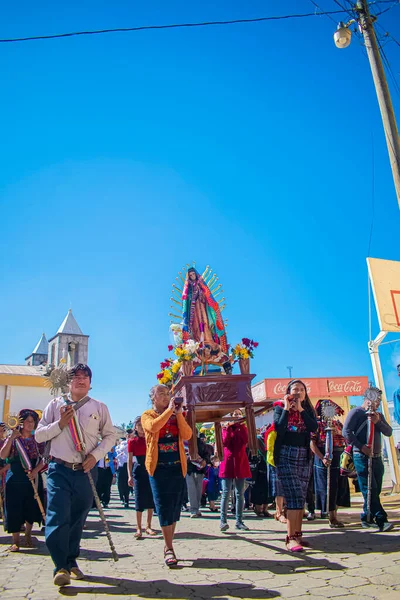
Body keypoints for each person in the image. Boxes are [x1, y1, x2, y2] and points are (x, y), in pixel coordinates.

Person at [35, 363, 115, 587]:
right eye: (76, 376)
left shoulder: (99, 407)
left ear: (90, 382)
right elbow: (39, 436)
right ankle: (59, 566)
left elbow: (110, 437)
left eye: (85, 377)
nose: (81, 380)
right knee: (58, 516)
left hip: (85, 470)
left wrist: (95, 456)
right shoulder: (54, 405)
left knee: (78, 518)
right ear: (68, 382)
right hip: (59, 469)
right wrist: (60, 424)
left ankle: (71, 561)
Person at [141, 384, 192, 567]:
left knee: (174, 508)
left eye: (167, 393)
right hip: (158, 468)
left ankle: (169, 544)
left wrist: (177, 413)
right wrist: (169, 411)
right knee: (163, 507)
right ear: (153, 397)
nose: (165, 396)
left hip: (177, 467)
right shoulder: (147, 415)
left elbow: (187, 434)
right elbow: (153, 428)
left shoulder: (177, 414)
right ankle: (168, 547)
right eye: (161, 393)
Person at [273, 380, 318, 552]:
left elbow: (313, 427)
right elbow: (279, 427)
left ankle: (298, 534)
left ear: (305, 394)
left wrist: (300, 410)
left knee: (300, 496)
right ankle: (290, 538)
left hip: (303, 455)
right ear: (288, 392)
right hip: (285, 454)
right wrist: (286, 407)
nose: (298, 392)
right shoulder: (279, 408)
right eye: (294, 389)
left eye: (301, 390)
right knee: (293, 494)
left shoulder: (308, 410)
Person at [343, 387, 393, 532]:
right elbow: (346, 432)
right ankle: (381, 519)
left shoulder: (378, 415)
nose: (377, 402)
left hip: (377, 457)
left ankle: (366, 516)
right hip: (362, 457)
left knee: (374, 490)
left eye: (379, 400)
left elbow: (389, 432)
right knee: (369, 488)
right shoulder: (357, 412)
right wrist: (361, 446)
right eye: (375, 399)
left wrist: (378, 422)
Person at [0, 409, 45, 552]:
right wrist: (11, 438)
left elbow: (45, 458)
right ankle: (15, 541)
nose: (30, 424)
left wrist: (36, 471)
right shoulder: (13, 437)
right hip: (15, 475)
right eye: (27, 421)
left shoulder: (37, 438)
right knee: (13, 506)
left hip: (32, 475)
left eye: (33, 422)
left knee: (31, 505)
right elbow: (3, 455)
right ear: (21, 422)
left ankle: (28, 535)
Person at [311, 400, 350, 527]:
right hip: (323, 457)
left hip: (339, 456)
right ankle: (331, 517)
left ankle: (335, 513)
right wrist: (322, 457)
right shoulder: (316, 425)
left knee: (340, 487)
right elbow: (312, 443)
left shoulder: (338, 424)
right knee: (329, 488)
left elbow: (347, 439)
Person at [219, 409, 251, 532]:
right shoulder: (225, 428)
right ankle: (223, 521)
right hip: (228, 463)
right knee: (226, 493)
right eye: (235, 414)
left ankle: (239, 521)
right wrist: (228, 428)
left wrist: (240, 427)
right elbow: (225, 441)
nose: (237, 416)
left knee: (240, 494)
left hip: (240, 463)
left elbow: (245, 440)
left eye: (239, 414)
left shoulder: (243, 428)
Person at [182, 267, 228, 351]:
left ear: (196, 274)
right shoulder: (189, 288)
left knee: (205, 323)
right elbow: (186, 301)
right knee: (196, 325)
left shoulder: (201, 284)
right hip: (194, 310)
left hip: (203, 307)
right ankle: (198, 342)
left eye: (193, 274)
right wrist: (192, 297)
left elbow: (208, 296)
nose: (192, 276)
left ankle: (208, 340)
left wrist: (201, 295)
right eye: (190, 275)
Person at [127, 416, 156, 539]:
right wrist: (129, 476)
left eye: (142, 425)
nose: (141, 428)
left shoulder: (150, 439)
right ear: (135, 427)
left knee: (150, 499)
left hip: (150, 470)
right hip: (138, 471)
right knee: (139, 500)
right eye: (138, 425)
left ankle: (148, 526)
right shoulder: (132, 442)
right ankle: (138, 527)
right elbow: (129, 460)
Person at [186, 432, 212, 518]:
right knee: (191, 490)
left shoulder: (201, 443)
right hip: (189, 469)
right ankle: (193, 509)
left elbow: (207, 454)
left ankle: (197, 508)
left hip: (199, 469)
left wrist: (204, 460)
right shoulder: (185, 443)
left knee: (198, 490)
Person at [115, 436, 130, 508]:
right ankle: (122, 497)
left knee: (126, 484)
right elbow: (114, 457)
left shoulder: (128, 445)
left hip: (126, 465)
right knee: (120, 484)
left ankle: (126, 500)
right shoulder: (117, 447)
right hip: (120, 467)